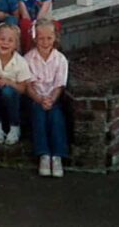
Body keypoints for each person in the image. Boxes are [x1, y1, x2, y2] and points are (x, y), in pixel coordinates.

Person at [24, 18, 70, 177]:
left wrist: (51, 99)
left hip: (53, 98)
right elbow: (28, 86)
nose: (45, 42)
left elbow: (59, 85)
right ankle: (43, 155)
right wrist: (40, 100)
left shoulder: (60, 60)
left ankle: (57, 156)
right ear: (35, 38)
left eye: (49, 38)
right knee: (38, 116)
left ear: (55, 38)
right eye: (41, 38)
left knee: (56, 117)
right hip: (35, 99)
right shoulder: (28, 59)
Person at [0, 22, 31, 146]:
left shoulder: (21, 62)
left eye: (10, 40)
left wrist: (9, 82)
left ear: (16, 44)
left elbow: (23, 89)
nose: (5, 43)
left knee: (7, 91)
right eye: (2, 39)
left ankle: (14, 127)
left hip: (12, 97)